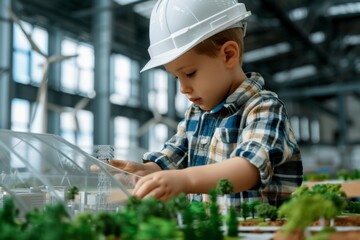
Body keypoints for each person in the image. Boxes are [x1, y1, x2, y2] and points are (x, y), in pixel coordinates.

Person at [109, 0, 303, 208]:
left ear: (228, 55)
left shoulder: (263, 107)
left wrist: (186, 180)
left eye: (190, 73)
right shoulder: (196, 114)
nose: (183, 88)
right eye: (176, 77)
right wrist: (148, 170)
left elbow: (248, 168)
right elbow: (175, 155)